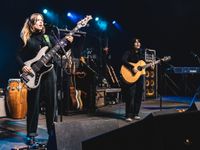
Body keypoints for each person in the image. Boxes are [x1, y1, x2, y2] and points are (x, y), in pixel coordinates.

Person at [16, 13, 73, 146]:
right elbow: (17, 55)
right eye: (38, 21)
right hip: (33, 74)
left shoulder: (48, 37)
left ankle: (53, 134)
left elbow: (60, 51)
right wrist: (23, 66)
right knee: (33, 105)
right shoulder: (27, 38)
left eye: (42, 20)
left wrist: (68, 43)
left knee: (52, 105)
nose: (41, 23)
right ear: (31, 24)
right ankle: (31, 134)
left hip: (49, 73)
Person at [121, 38, 144, 122]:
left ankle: (136, 114)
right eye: (136, 42)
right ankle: (128, 115)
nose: (138, 43)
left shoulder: (141, 53)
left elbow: (143, 66)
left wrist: (152, 66)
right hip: (130, 76)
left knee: (138, 95)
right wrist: (132, 67)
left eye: (139, 42)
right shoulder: (128, 52)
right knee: (130, 96)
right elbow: (123, 60)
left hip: (139, 77)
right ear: (132, 44)